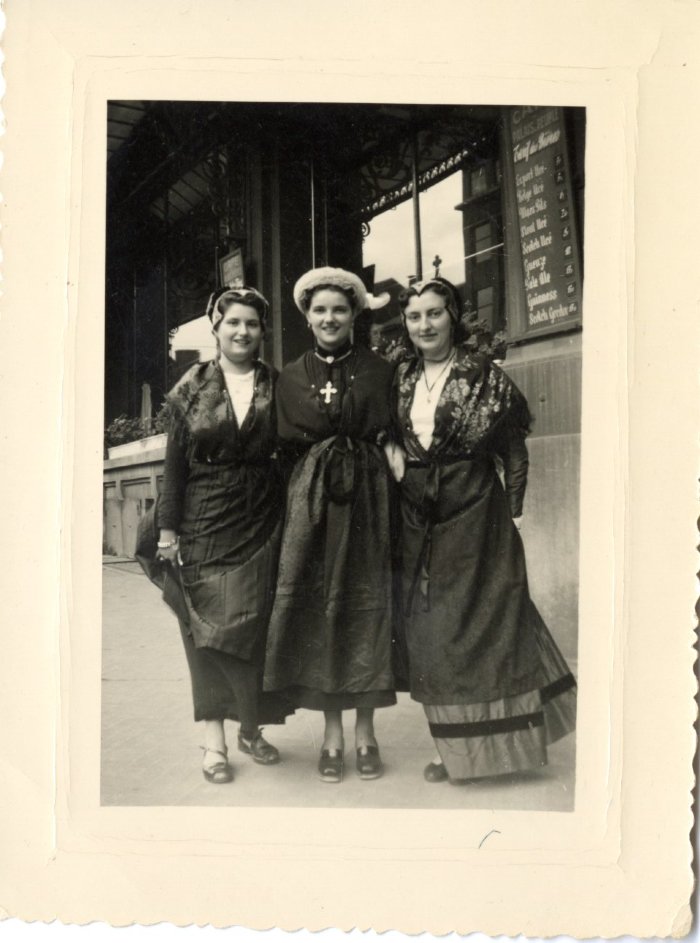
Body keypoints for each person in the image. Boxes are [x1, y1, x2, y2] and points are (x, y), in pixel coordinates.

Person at [387, 277, 576, 784]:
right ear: (405, 324)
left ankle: (505, 752)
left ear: (453, 316)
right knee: (433, 633)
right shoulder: (400, 377)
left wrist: (513, 512)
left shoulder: (483, 375)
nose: (424, 325)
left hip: (477, 513)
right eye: (414, 316)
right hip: (418, 519)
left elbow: (513, 449)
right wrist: (392, 452)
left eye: (434, 313)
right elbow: (384, 432)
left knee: (488, 624)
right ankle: (455, 753)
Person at [147, 286, 293, 784]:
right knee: (206, 633)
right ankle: (215, 742)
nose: (242, 332)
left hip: (262, 517)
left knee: (255, 629)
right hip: (204, 519)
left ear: (262, 331)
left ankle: (251, 729)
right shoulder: (190, 388)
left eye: (252, 323)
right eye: (233, 322)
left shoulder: (278, 384)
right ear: (216, 328)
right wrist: (168, 532)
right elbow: (173, 468)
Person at [264, 267, 397, 783]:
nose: (329, 318)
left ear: (355, 315)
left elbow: (394, 435)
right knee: (322, 611)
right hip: (312, 504)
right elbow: (281, 452)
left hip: (368, 502)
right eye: (319, 310)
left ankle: (366, 733)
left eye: (339, 309)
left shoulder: (381, 370)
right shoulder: (292, 375)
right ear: (306, 316)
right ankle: (332, 734)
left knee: (366, 606)